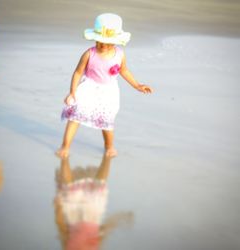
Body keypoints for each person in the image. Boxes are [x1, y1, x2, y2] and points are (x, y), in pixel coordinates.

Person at [56, 13, 153, 158]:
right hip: (88, 87)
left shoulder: (119, 54)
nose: (102, 45)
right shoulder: (89, 54)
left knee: (106, 120)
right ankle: (65, 146)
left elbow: (124, 70)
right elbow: (77, 73)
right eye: (99, 41)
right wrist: (72, 92)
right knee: (75, 117)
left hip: (108, 91)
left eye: (107, 42)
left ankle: (109, 146)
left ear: (115, 41)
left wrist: (137, 85)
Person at [54, 154, 134, 250]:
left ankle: (65, 157)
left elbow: (61, 227)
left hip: (76, 216)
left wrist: (57, 208)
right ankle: (107, 158)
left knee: (71, 190)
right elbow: (104, 231)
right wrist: (120, 219)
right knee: (96, 187)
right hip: (91, 215)